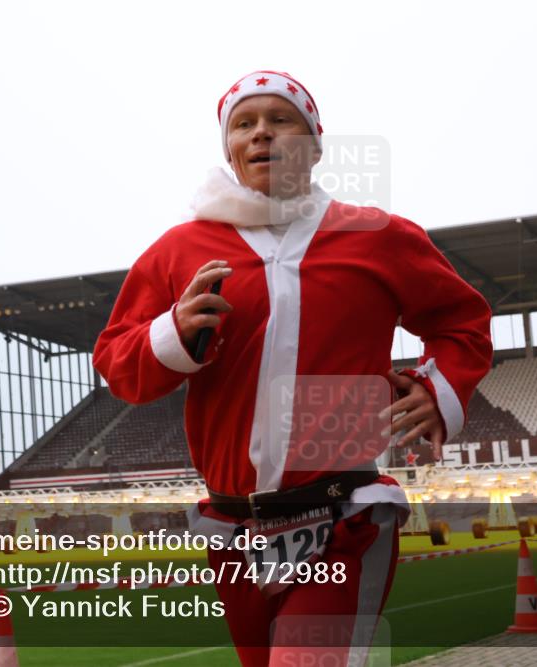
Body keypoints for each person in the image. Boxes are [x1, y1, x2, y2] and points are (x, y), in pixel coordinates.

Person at [92, 70, 493, 666]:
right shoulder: (178, 250)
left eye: (280, 120)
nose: (261, 135)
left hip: (341, 518)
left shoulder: (378, 236)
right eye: (243, 125)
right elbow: (118, 363)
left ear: (315, 142)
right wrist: (173, 333)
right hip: (232, 528)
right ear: (228, 147)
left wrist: (439, 386)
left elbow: (463, 321)